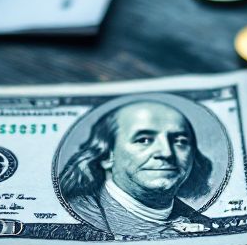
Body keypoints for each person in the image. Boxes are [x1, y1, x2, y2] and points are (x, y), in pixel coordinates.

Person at [58, 100, 215, 237]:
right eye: (144, 140)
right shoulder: (79, 215)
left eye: (179, 141)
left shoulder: (205, 225)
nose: (166, 152)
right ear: (107, 155)